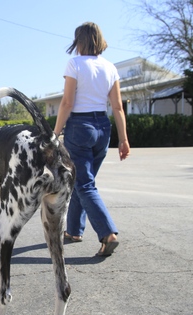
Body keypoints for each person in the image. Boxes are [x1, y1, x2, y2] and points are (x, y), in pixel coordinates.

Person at [53, 22, 130, 257]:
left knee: (84, 184)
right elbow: (117, 107)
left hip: (79, 127)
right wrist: (123, 139)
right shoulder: (110, 67)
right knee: (82, 182)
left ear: (80, 41)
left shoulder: (74, 64)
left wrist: (55, 134)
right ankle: (74, 230)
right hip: (103, 129)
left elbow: (67, 102)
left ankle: (108, 234)